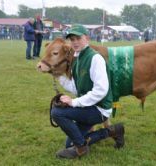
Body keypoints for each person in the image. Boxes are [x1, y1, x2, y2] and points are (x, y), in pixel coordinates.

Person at [51, 24, 125, 159]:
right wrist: (58, 76)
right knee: (69, 144)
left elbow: (101, 91)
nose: (75, 42)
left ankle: (80, 148)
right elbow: (76, 87)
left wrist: (74, 102)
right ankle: (114, 131)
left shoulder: (95, 58)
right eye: (72, 39)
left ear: (87, 38)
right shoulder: (78, 59)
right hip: (88, 107)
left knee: (57, 113)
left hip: (99, 109)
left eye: (78, 38)